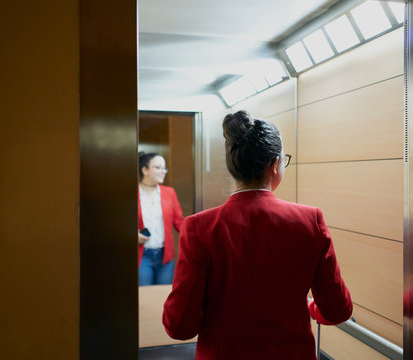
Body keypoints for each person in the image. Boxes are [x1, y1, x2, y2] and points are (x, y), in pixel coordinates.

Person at [162, 111, 352, 359]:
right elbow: (338, 309)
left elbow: (179, 326)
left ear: (233, 167)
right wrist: (310, 308)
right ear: (275, 164)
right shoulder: (310, 220)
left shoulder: (199, 227)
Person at [138, 152, 184, 286]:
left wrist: (198, 235)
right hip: (142, 255)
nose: (163, 171)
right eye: (158, 168)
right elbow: (122, 222)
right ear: (144, 170)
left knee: (163, 296)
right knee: (144, 297)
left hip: (165, 256)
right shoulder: (132, 194)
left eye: (164, 168)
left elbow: (179, 222)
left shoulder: (169, 193)